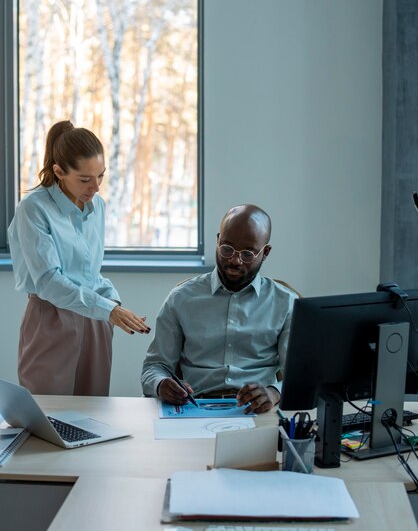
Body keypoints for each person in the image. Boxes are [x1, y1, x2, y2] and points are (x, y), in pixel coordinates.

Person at [8, 120, 150, 396]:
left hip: (96, 318)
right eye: (85, 179)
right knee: (46, 416)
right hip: (51, 319)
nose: (95, 187)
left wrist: (114, 303)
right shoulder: (33, 210)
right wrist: (108, 309)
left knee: (94, 416)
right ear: (59, 171)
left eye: (101, 176)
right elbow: (49, 282)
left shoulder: (97, 206)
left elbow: (89, 273)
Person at [141, 204, 297, 414]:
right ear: (217, 240)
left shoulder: (285, 303)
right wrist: (161, 384)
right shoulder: (182, 298)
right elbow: (154, 366)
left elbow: (301, 377)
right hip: (194, 407)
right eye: (227, 249)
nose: (234, 260)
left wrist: (274, 393)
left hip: (257, 411)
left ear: (265, 252)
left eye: (248, 253)